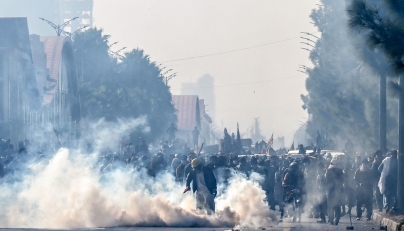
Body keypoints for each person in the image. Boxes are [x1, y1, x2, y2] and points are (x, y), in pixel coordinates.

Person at [325, 157, 344, 225]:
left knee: (330, 205)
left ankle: (331, 219)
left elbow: (326, 181)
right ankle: (336, 219)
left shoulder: (328, 170)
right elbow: (343, 180)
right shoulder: (340, 171)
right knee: (337, 205)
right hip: (338, 190)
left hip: (330, 190)